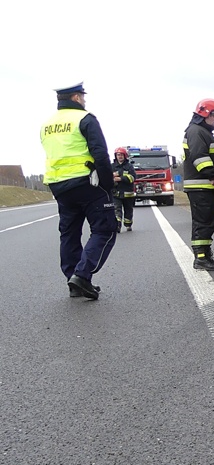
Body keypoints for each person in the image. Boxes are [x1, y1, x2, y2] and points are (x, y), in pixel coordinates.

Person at [40, 81, 116, 300]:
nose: (84, 100)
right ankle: (82, 276)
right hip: (88, 184)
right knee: (105, 230)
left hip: (59, 186)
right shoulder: (85, 119)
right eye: (83, 96)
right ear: (75, 97)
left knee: (69, 234)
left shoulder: (46, 126)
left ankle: (74, 281)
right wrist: (108, 185)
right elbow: (100, 153)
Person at [183, 98, 214, 270]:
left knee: (207, 220)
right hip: (201, 185)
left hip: (204, 186)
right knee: (203, 222)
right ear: (204, 113)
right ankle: (201, 257)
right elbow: (200, 158)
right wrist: (213, 175)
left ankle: (205, 254)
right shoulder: (196, 131)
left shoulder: (201, 131)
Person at [111, 147, 137, 232]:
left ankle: (128, 224)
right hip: (116, 193)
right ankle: (117, 226)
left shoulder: (129, 167)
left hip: (128, 194)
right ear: (116, 156)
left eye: (121, 155)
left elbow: (133, 178)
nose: (120, 156)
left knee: (128, 210)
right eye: (118, 155)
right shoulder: (112, 166)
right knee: (116, 210)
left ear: (125, 156)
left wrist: (120, 178)